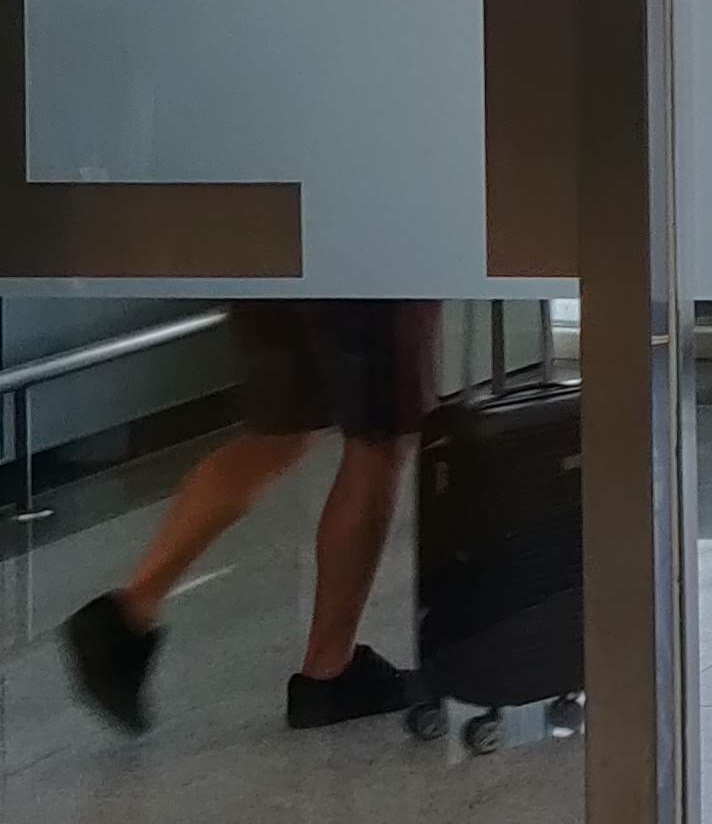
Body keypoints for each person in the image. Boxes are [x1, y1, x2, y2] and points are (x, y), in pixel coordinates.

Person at [60, 301, 438, 734]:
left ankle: (129, 611)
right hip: (364, 261)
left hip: (275, 251)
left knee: (279, 432)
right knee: (379, 439)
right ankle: (330, 671)